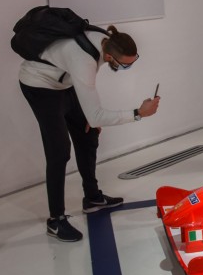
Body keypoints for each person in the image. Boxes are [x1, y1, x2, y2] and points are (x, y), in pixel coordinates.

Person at [19, 25, 160, 242]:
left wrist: (91, 117)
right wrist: (138, 113)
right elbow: (95, 114)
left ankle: (92, 198)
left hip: (65, 80)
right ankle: (55, 220)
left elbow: (89, 98)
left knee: (88, 133)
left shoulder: (106, 40)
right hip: (40, 85)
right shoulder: (84, 61)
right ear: (110, 56)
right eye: (124, 65)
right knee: (59, 151)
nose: (126, 68)